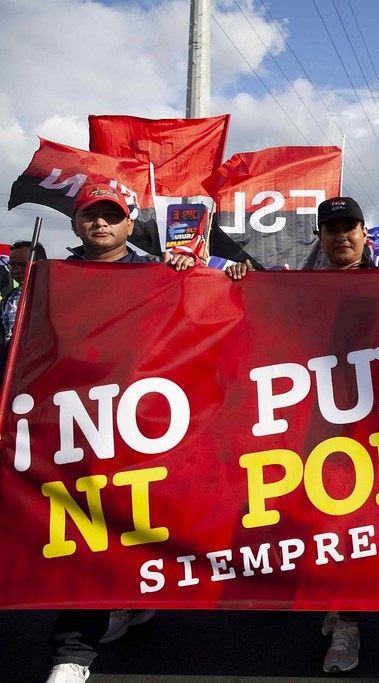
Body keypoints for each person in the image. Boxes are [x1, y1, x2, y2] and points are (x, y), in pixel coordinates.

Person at [46, 184, 196, 683]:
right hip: (75, 423)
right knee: (80, 530)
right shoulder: (50, 277)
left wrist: (199, 274)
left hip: (143, 425)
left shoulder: (160, 273)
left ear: (131, 224)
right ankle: (73, 651)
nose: (101, 224)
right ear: (75, 223)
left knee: (137, 520)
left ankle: (131, 601)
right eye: (91, 215)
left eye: (112, 216)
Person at [226, 195, 373, 674]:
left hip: (369, 426)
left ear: (364, 234)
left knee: (353, 524)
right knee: (299, 511)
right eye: (332, 228)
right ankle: (301, 589)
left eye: (349, 227)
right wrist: (239, 284)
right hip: (303, 425)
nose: (341, 236)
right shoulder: (297, 286)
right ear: (321, 237)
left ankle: (347, 618)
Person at [1, 240, 47, 376]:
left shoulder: (50, 293)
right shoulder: (9, 299)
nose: (17, 271)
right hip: (10, 367)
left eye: (22, 265)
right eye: (12, 266)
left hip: (38, 366)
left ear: (42, 263)